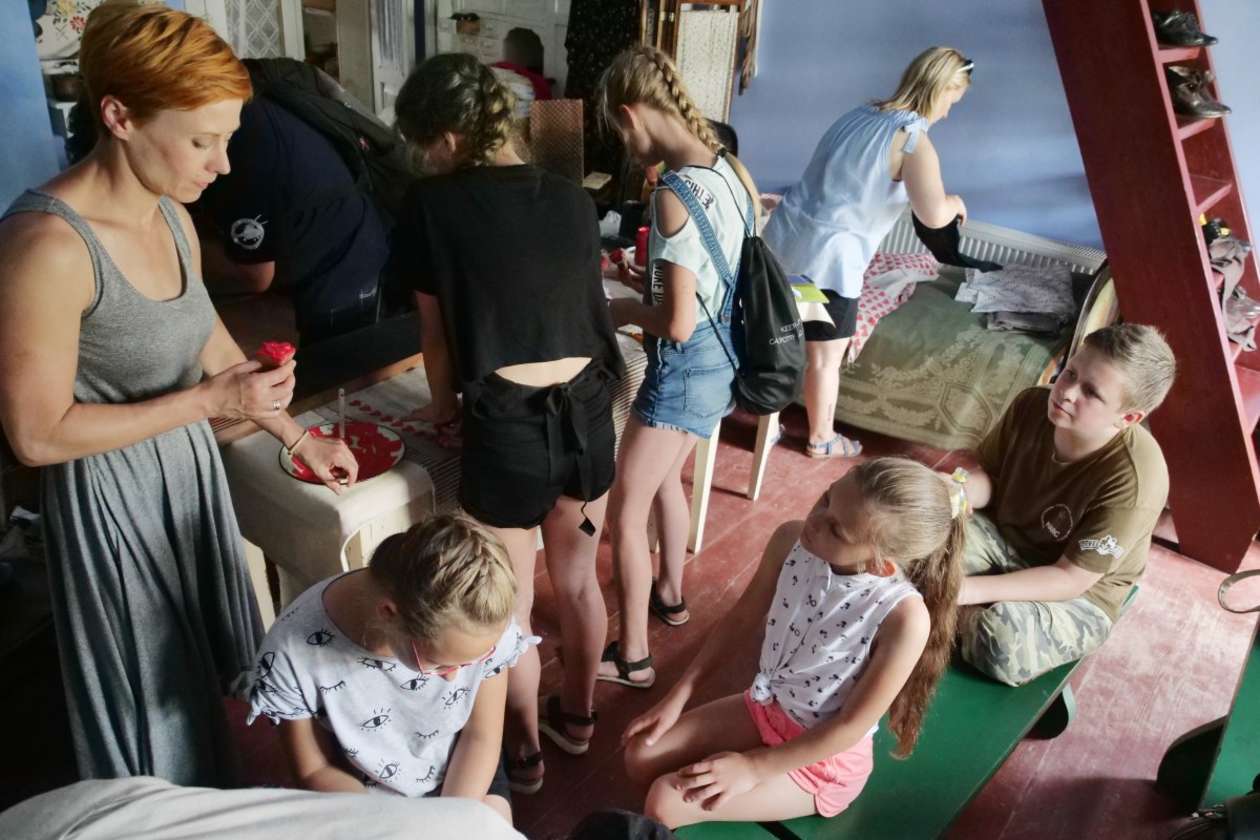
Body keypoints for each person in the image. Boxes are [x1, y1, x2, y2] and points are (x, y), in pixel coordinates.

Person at [0, 0, 356, 787]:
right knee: (146, 700)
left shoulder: (171, 215)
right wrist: (204, 405)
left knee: (194, 681)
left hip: (187, 475)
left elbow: (208, 344)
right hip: (111, 499)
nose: (222, 166)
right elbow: (36, 434)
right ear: (119, 116)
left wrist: (297, 434)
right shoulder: (47, 246)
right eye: (203, 141)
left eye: (227, 139)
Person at [391, 53, 625, 793]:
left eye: (423, 144)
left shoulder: (432, 206)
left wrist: (441, 410)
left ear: (447, 138)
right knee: (580, 585)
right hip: (589, 414)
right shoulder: (572, 198)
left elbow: (436, 338)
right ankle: (579, 720)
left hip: (509, 431)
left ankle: (522, 754)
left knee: (512, 607)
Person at [621, 458, 965, 828]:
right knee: (639, 756)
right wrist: (678, 697)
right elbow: (740, 620)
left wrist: (752, 767)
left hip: (821, 760)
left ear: (880, 565)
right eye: (826, 499)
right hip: (766, 709)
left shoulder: (904, 618)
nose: (815, 521)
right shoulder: (790, 541)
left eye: (836, 529)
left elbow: (849, 726)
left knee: (664, 801)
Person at [596, 46, 760, 691]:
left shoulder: (672, 193)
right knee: (668, 480)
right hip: (723, 363)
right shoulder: (728, 171)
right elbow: (712, 280)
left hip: (685, 367)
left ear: (632, 113)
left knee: (624, 511)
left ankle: (633, 657)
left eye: (619, 131)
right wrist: (655, 286)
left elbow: (676, 323)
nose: (625, 145)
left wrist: (622, 308)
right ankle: (670, 593)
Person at [246, 515, 532, 823]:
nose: (455, 677)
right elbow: (315, 769)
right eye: (438, 663)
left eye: (473, 661)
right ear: (388, 613)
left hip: (462, 766)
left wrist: (445, 822)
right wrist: (392, 825)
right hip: (360, 791)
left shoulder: (481, 616)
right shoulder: (291, 651)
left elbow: (480, 736)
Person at [762, 46, 974, 459]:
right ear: (943, 88)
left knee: (780, 336)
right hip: (830, 264)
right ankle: (822, 438)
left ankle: (767, 423)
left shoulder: (858, 115)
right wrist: (955, 203)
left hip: (785, 246)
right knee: (824, 356)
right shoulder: (914, 141)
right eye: (953, 101)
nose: (949, 112)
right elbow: (932, 215)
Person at [948, 324, 1176, 686]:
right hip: (1008, 539)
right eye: (1070, 373)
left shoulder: (1137, 478)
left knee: (1001, 643)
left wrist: (964, 591)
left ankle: (952, 610)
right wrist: (956, 491)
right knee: (917, 539)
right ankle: (957, 611)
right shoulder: (1031, 405)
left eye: (1091, 392)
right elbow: (989, 479)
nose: (1066, 392)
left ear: (1128, 418)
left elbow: (1070, 578)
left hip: (1079, 591)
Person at [192, 90, 392, 345]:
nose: (222, 165)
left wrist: (186, 260)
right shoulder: (247, 112)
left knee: (334, 362)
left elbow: (256, 277)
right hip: (345, 237)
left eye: (199, 143)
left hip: (341, 268)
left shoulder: (246, 151)